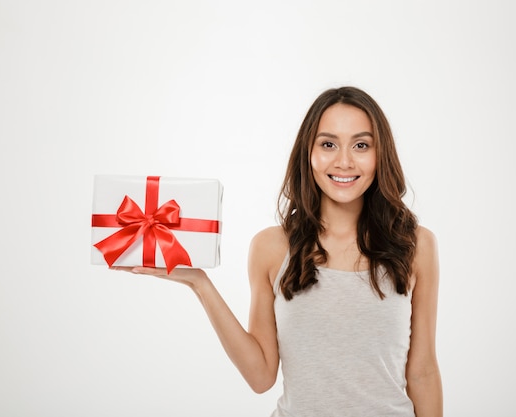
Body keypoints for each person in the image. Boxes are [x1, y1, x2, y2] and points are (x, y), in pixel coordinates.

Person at [114, 86, 443, 416]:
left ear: (379, 154)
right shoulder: (271, 247)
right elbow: (260, 376)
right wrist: (199, 283)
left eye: (361, 145)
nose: (344, 161)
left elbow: (423, 371)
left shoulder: (416, 246)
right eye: (328, 144)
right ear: (308, 153)